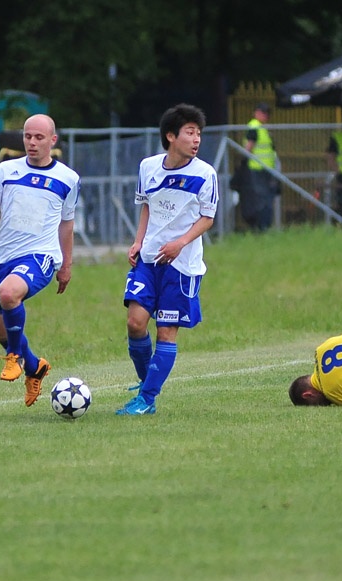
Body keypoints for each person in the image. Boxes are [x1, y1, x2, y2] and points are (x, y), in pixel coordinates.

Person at [0, 114, 80, 407]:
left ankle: (16, 357)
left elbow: (66, 225)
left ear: (52, 141)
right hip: (3, 256)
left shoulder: (68, 179)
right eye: (28, 136)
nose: (32, 142)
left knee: (9, 293)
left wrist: (66, 265)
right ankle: (35, 367)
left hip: (41, 255)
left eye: (39, 137)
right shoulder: (7, 170)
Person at [118, 103, 219, 416]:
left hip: (181, 266)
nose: (196, 139)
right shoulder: (148, 167)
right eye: (190, 132)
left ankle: (146, 399)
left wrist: (180, 243)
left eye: (199, 133)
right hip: (148, 259)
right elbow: (147, 205)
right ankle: (147, 382)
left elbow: (208, 217)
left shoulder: (204, 173)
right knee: (136, 323)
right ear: (171, 136)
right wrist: (138, 241)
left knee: (165, 331)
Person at [240, 102, 278, 231]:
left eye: (267, 113)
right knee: (262, 199)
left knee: (267, 199)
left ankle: (265, 226)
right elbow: (249, 147)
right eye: (263, 112)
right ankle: (261, 227)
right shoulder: (254, 127)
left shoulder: (262, 128)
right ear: (256, 112)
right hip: (257, 169)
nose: (266, 115)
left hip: (266, 169)